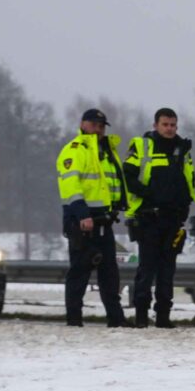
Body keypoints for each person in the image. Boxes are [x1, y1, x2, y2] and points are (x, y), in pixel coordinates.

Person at [119, 108, 195, 328]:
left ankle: (163, 316)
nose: (169, 129)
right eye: (165, 124)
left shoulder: (182, 149)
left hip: (173, 219)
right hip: (148, 217)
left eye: (173, 125)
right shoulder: (143, 146)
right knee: (147, 269)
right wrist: (150, 195)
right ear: (155, 126)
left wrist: (184, 207)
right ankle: (141, 316)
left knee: (167, 271)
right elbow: (128, 176)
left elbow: (189, 180)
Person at [54, 108, 128, 327]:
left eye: (102, 126)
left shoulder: (106, 151)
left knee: (110, 274)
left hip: (103, 220)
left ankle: (116, 319)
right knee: (79, 272)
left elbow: (110, 184)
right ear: (83, 124)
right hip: (82, 219)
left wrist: (118, 207)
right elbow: (70, 184)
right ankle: (74, 319)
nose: (99, 129)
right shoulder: (75, 150)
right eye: (94, 125)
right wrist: (82, 214)